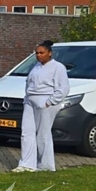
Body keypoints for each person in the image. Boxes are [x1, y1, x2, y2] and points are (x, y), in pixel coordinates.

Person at [16, 40, 68, 173]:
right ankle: (27, 164)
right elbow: (29, 83)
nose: (38, 55)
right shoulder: (36, 66)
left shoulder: (58, 67)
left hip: (45, 101)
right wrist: (27, 97)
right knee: (26, 132)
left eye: (42, 53)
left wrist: (49, 102)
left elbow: (63, 88)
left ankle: (45, 165)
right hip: (30, 101)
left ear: (49, 53)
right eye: (37, 53)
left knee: (43, 134)